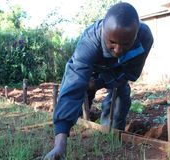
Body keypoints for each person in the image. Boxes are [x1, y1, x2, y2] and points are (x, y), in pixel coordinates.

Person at [44, 2, 153, 159]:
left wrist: (101, 83)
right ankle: (79, 121)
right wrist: (59, 145)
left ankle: (113, 135)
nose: (118, 50)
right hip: (93, 69)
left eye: (126, 44)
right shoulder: (89, 41)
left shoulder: (145, 38)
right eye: (112, 43)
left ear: (135, 36)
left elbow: (131, 74)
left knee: (121, 97)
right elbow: (73, 84)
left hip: (118, 72)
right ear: (104, 32)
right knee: (82, 91)